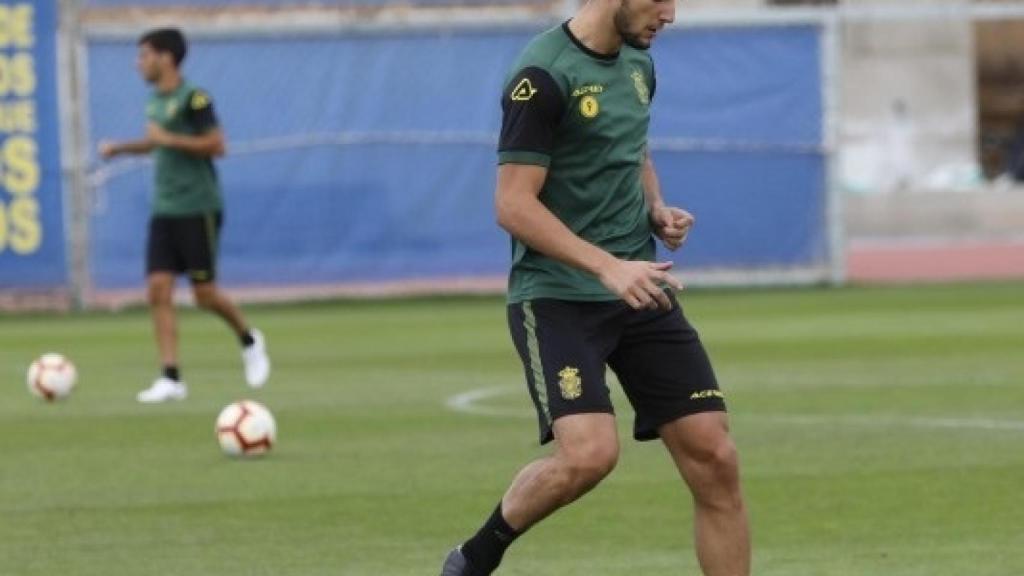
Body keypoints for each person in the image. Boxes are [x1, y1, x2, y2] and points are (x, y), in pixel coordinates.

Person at [439, 0, 750, 573]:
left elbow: (631, 145)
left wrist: (656, 207)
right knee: (590, 455)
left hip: (640, 288)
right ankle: (476, 556)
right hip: (558, 295)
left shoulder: (639, 60)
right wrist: (608, 266)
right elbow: (512, 205)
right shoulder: (542, 76)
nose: (671, 14)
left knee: (716, 456)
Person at [99, 28, 270, 403]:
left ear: (166, 58)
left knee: (204, 294)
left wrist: (169, 140)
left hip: (198, 206)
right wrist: (121, 148)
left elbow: (217, 145)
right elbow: (155, 143)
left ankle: (248, 339)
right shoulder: (154, 101)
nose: (138, 63)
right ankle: (171, 378)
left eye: (144, 55)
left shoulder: (195, 98)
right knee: (157, 289)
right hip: (165, 207)